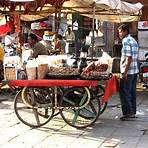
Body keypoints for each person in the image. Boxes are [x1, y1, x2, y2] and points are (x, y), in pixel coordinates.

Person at [118, 24, 139, 121]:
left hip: (129, 71)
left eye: (120, 32)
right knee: (132, 92)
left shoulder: (126, 41)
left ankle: (128, 113)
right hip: (135, 71)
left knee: (125, 92)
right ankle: (132, 112)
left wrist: (124, 73)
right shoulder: (133, 40)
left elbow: (129, 58)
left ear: (125, 31)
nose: (119, 34)